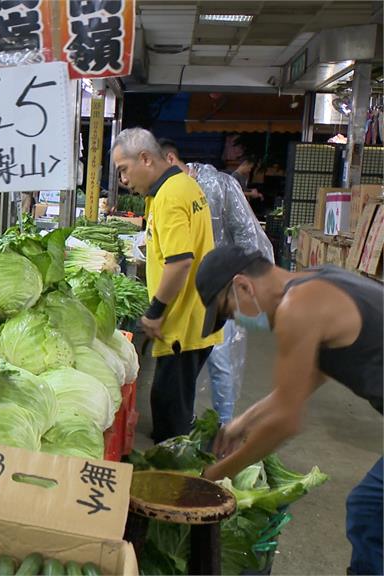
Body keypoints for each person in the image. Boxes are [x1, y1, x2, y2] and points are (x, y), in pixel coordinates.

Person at [196, 246, 382, 575]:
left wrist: (215, 476)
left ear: (243, 286)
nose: (236, 321)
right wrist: (243, 422)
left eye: (229, 311)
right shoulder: (315, 281)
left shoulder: (297, 308)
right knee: (370, 507)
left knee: (370, 510)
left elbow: (286, 420)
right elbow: (307, 380)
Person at [111, 128, 221, 442]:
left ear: (145, 158)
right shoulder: (184, 184)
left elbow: (181, 260)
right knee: (173, 400)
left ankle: (176, 477)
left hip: (182, 322)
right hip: (198, 313)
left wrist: (155, 311)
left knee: (170, 413)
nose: (124, 181)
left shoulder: (169, 196)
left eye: (124, 170)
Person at [159, 138, 275, 424]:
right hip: (187, 291)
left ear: (170, 159)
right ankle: (188, 419)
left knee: (221, 361)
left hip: (224, 288)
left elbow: (249, 235)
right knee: (187, 360)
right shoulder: (167, 192)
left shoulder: (220, 185)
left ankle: (223, 425)